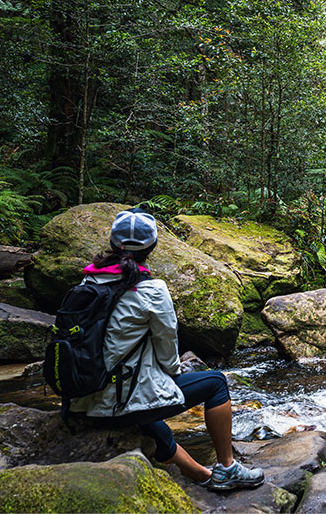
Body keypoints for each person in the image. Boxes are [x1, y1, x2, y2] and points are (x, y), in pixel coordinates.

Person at [70, 207, 264, 491]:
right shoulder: (152, 290)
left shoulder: (87, 282)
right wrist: (170, 375)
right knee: (215, 383)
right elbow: (167, 356)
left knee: (148, 417)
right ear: (153, 247)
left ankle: (202, 475)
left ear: (111, 243)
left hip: (82, 398)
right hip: (119, 403)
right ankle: (227, 467)